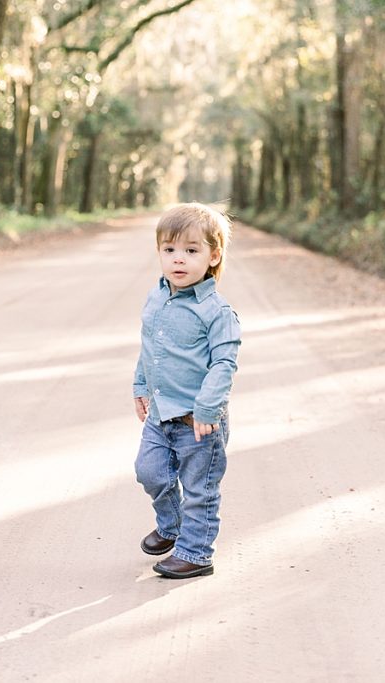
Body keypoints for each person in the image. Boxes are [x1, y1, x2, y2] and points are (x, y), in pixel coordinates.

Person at [132, 203, 242, 579]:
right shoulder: (156, 297)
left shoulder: (217, 311)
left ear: (213, 256)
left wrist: (208, 411)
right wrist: (140, 385)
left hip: (199, 421)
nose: (179, 260)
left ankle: (196, 553)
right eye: (169, 250)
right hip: (162, 412)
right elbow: (150, 348)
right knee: (150, 472)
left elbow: (224, 365)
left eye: (191, 251)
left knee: (200, 490)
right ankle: (172, 525)